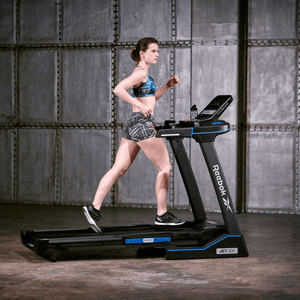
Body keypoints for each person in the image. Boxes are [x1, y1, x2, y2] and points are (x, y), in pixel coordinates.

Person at [83, 37, 185, 233]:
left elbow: (149, 98)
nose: (157, 54)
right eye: (153, 51)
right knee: (165, 168)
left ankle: (93, 208)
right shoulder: (140, 73)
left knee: (118, 169)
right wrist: (138, 105)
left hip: (132, 124)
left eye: (157, 51)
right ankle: (162, 214)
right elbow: (118, 89)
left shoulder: (143, 75)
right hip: (143, 125)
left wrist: (167, 86)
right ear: (142, 53)